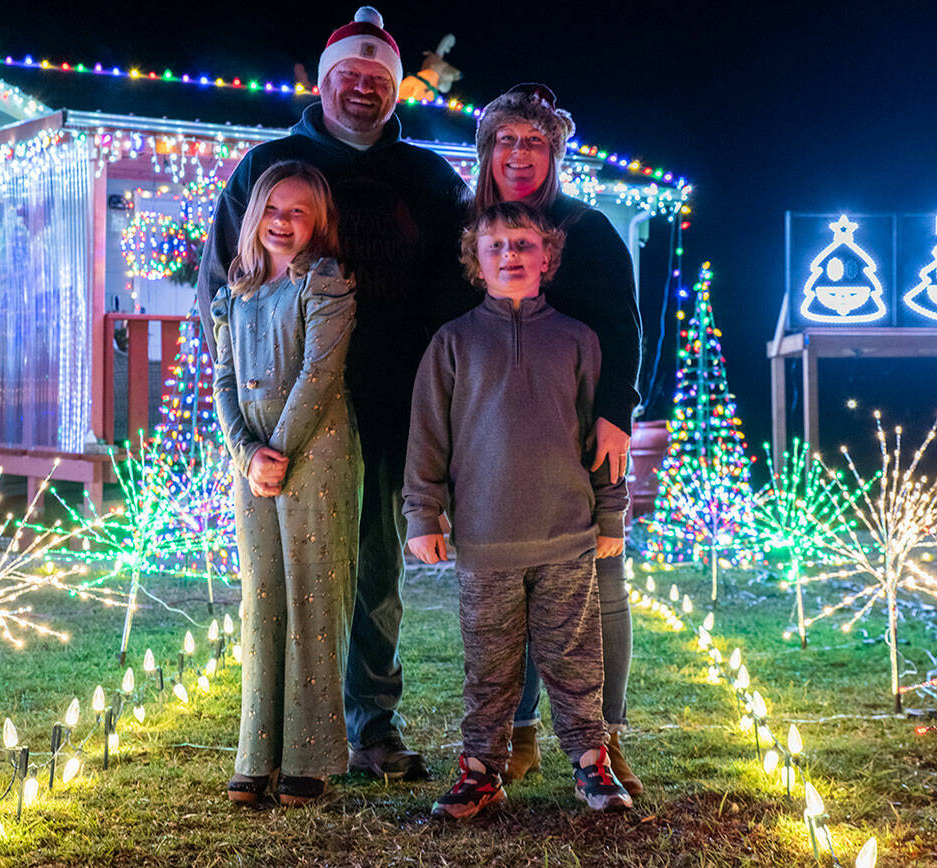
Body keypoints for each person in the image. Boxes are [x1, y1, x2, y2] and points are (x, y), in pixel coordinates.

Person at [197, 6, 471, 781]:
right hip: (281, 413)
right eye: (348, 75)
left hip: (390, 401)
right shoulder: (269, 166)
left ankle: (370, 725)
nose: (361, 89)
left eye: (377, 78)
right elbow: (222, 283)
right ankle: (283, 734)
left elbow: (455, 292)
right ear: (324, 83)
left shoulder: (427, 178)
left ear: (395, 90)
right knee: (284, 577)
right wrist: (240, 415)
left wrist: (445, 397)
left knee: (376, 570)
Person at [404, 202, 632, 818]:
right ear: (475, 263)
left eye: (524, 244)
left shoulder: (578, 340)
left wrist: (610, 514)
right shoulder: (451, 344)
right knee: (490, 666)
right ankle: (481, 770)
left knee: (574, 660)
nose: (511, 254)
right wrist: (423, 515)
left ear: (547, 256)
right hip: (485, 544)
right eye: (496, 245)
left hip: (567, 538)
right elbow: (427, 437)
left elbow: (602, 441)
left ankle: (591, 763)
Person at [473, 83, 644, 795]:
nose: (519, 154)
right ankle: (518, 735)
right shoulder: (469, 228)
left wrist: (616, 412)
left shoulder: (590, 229)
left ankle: (602, 738)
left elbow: (627, 328)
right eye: (506, 140)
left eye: (534, 142)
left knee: (600, 588)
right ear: (488, 150)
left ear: (554, 154)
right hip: (495, 444)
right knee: (505, 597)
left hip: (581, 439)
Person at [211, 161, 359, 806]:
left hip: (316, 453)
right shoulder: (235, 294)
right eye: (273, 208)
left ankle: (311, 753)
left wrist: (279, 450)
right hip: (253, 464)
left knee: (313, 595)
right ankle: (257, 751)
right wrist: (247, 452)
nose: (282, 221)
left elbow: (319, 375)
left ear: (318, 222)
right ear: (254, 217)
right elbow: (220, 380)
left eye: (299, 212)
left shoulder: (324, 286)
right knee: (262, 595)